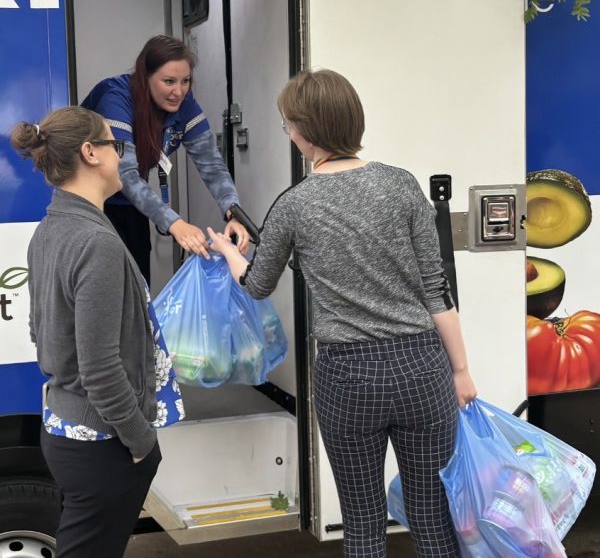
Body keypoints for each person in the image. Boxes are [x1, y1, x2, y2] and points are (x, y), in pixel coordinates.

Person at [208, 69, 478, 558]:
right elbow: (436, 290)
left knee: (363, 524)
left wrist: (228, 250)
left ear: (305, 132)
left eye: (288, 126)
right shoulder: (401, 185)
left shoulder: (294, 205)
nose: (288, 135)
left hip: (348, 375)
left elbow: (257, 284)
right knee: (432, 517)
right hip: (422, 367)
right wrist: (460, 370)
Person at [11, 106, 184, 558]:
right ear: (91, 153)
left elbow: (40, 330)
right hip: (104, 443)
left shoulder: (49, 231)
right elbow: (101, 366)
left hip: (67, 428)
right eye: (116, 145)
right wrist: (142, 441)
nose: (121, 158)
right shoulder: (95, 242)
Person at [81, 34, 249, 284]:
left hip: (130, 206)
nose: (178, 92)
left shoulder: (185, 104)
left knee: (139, 291)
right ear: (144, 76)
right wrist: (176, 224)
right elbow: (124, 174)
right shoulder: (115, 98)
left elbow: (212, 165)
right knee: (105, 288)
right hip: (90, 204)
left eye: (186, 81)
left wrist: (233, 212)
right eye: (169, 81)